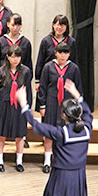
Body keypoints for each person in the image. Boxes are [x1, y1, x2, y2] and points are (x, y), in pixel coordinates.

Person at [15, 79, 91, 196]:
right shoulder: (87, 128)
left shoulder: (61, 132)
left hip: (61, 176)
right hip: (79, 177)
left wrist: (24, 104)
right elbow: (88, 112)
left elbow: (36, 125)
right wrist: (76, 93)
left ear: (64, 116)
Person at [38, 42, 83, 173]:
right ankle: (47, 161)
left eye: (66, 53)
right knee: (49, 133)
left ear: (69, 54)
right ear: (55, 53)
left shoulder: (74, 68)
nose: (63, 56)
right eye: (60, 52)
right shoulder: (48, 67)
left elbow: (78, 87)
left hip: (67, 105)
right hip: (52, 103)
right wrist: (42, 105)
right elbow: (42, 87)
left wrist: (77, 108)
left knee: (66, 133)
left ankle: (61, 160)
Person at [0, 45, 32, 172]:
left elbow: (28, 91)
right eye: (12, 56)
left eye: (18, 56)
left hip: (19, 107)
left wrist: (27, 108)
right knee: (1, 135)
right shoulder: (0, 71)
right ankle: (0, 161)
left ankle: (19, 162)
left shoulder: (25, 71)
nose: (15, 59)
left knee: (20, 135)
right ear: (8, 57)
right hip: (4, 105)